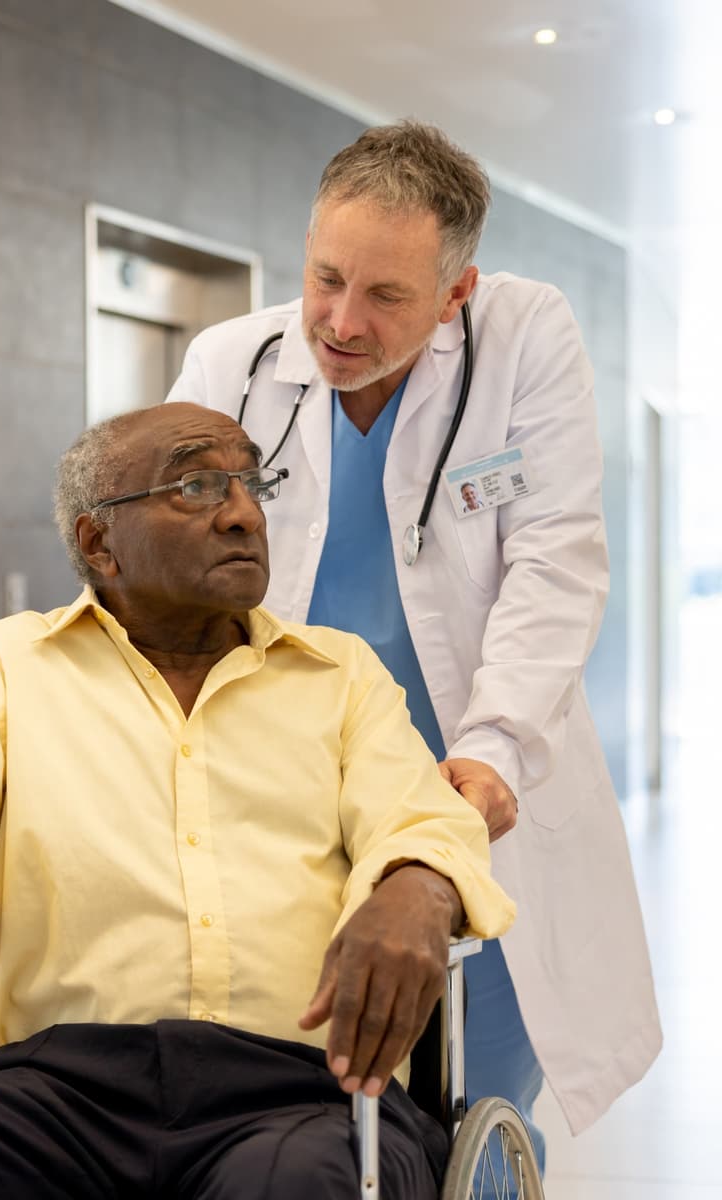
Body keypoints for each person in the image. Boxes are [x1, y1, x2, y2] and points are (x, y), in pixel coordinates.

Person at [0, 403, 515, 1199]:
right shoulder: (6, 668)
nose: (243, 513)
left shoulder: (339, 676)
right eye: (196, 486)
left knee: (292, 1183)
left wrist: (417, 888)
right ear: (100, 543)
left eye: (251, 482)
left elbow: (420, 819)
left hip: (303, 1093)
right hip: (65, 1093)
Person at [165, 120, 661, 1158]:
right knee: (308, 1105)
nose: (341, 323)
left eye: (386, 295)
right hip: (286, 799)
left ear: (455, 292)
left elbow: (555, 561)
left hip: (473, 786)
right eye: (325, 278)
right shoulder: (232, 363)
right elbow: (165, 573)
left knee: (477, 1099)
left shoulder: (523, 340)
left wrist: (495, 748)